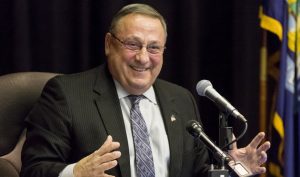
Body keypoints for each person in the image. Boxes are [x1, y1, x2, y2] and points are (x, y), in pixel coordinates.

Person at [20, 3, 271, 177]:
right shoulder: (67, 94)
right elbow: (34, 169)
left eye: (154, 48)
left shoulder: (180, 100)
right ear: (109, 44)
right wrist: (76, 173)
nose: (143, 58)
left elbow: (197, 171)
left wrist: (230, 170)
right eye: (132, 44)